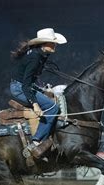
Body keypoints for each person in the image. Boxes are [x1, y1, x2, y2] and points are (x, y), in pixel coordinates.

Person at [10, 28, 66, 158]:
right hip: (20, 88)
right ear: (43, 44)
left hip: (25, 86)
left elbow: (31, 80)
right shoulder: (35, 57)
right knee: (53, 107)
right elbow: (25, 85)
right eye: (52, 43)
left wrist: (42, 89)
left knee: (52, 97)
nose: (55, 45)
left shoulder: (40, 55)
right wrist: (35, 104)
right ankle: (36, 142)